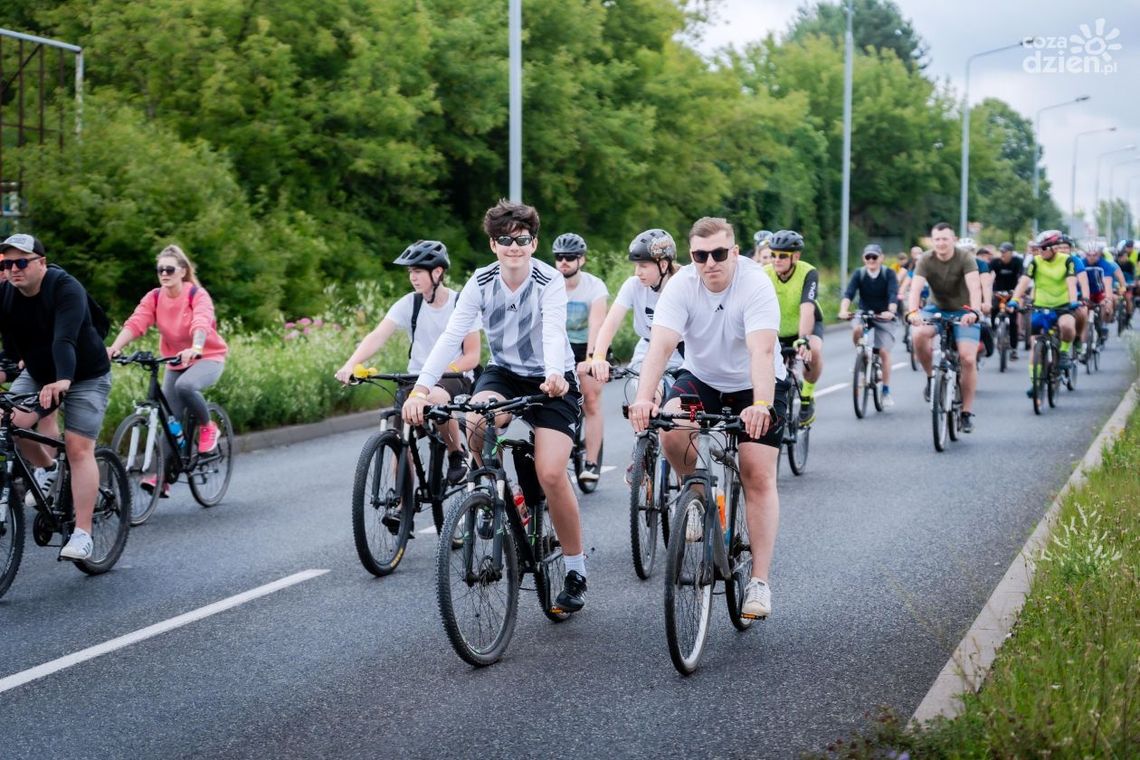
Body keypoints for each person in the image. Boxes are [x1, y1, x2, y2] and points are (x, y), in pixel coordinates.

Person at [401, 200, 587, 613]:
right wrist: (420, 389)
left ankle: (576, 569)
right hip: (504, 372)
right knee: (476, 418)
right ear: (493, 244)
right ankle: (489, 490)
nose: (514, 246)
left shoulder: (549, 280)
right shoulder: (481, 282)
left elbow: (555, 330)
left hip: (551, 380)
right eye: (505, 239)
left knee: (552, 472)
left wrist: (556, 372)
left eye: (522, 239)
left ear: (533, 242)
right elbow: (451, 337)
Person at [627, 216, 786, 619]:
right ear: (691, 256)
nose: (710, 262)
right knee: (671, 426)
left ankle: (760, 582)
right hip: (703, 378)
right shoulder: (682, 285)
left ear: (734, 252)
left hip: (756, 384)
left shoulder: (755, 283)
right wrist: (644, 400)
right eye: (700, 255)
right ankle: (694, 493)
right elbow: (660, 347)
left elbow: (761, 353)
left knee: (756, 472)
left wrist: (762, 406)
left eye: (718, 253)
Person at [0, 234, 112, 560]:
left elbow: (65, 338)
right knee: (9, 423)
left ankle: (83, 533)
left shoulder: (64, 287)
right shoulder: (6, 295)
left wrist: (63, 380)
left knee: (78, 448)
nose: (13, 269)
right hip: (39, 373)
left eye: (21, 262)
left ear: (42, 263)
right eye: (7, 264)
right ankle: (47, 468)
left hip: (86, 374)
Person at [333, 240, 480, 485]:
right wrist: (350, 364)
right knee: (400, 438)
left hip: (454, 376)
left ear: (438, 272)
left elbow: (472, 356)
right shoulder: (410, 303)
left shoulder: (460, 304)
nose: (413, 277)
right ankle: (402, 506)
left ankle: (456, 454)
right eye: (410, 272)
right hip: (416, 379)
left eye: (418, 271)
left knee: (434, 397)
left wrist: (440, 370)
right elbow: (377, 335)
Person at [107, 245, 229, 496]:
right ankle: (160, 477)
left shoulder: (197, 295)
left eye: (169, 269)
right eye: (160, 269)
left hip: (207, 357)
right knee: (168, 418)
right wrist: (114, 347)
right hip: (175, 360)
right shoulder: (154, 297)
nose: (164, 273)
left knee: (186, 386)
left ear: (182, 271)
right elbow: (137, 321)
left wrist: (195, 347)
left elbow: (202, 322)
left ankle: (208, 426)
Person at [907, 222, 982, 433]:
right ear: (933, 241)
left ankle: (966, 412)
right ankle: (932, 377)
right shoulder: (925, 259)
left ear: (954, 240)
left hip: (963, 311)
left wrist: (974, 312)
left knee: (967, 358)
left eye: (945, 239)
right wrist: (913, 312)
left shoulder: (965, 258)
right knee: (918, 334)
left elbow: (975, 288)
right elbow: (915, 289)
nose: (941, 243)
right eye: (937, 239)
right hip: (935, 308)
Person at [588, 228, 684, 387]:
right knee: (649, 394)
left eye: (643, 266)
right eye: (636, 266)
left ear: (663, 264)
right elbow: (610, 323)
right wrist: (598, 357)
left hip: (681, 353)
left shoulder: (683, 284)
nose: (637, 272)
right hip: (647, 349)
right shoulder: (633, 285)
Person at [552, 232, 607, 482]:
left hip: (589, 347)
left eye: (569, 258)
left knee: (591, 399)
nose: (563, 262)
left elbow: (597, 325)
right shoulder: (549, 284)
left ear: (581, 260)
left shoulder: (594, 286)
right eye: (559, 257)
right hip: (558, 347)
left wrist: (592, 360)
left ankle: (592, 462)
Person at [763, 230, 824, 425]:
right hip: (778, 329)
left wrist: (803, 339)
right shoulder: (765, 274)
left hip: (806, 325)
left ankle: (806, 397)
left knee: (813, 350)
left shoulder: (808, 272)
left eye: (782, 256)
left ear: (795, 257)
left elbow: (807, 308)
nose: (776, 260)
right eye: (773, 255)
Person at [1007, 230, 1078, 394]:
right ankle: (1035, 382)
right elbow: (1024, 282)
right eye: (1039, 248)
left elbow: (1071, 283)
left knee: (1067, 326)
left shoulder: (1068, 260)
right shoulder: (1036, 262)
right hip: (1040, 305)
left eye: (1044, 248)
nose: (1040, 251)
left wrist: (1073, 301)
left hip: (1063, 305)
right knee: (1035, 346)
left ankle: (1065, 351)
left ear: (1054, 248)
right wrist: (1014, 300)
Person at [838, 244, 898, 406]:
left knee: (884, 352)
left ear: (881, 258)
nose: (871, 260)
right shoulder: (860, 273)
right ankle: (862, 357)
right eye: (868, 257)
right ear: (864, 259)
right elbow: (849, 293)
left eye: (874, 257)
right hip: (864, 312)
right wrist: (843, 310)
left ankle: (885, 391)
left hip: (883, 315)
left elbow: (893, 294)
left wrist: (890, 311)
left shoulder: (888, 273)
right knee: (856, 329)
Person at [990, 242, 1024, 360]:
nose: (1002, 254)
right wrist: (989, 290)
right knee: (993, 311)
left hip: (1012, 293)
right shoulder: (995, 262)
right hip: (998, 292)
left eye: (1005, 252)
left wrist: (1019, 292)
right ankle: (995, 332)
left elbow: (1021, 276)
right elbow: (990, 276)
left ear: (1011, 252)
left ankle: (1014, 349)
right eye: (1001, 252)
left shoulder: (1017, 262)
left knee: (1013, 321)